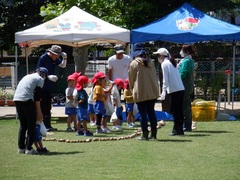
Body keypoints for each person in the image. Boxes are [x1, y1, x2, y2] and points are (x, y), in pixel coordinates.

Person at [13, 67, 48, 154]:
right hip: (27, 100)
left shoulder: (28, 76)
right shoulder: (40, 79)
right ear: (43, 74)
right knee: (31, 125)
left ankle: (21, 148)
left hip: (17, 99)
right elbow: (37, 97)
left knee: (23, 125)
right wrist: (39, 112)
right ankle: (29, 148)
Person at [128, 43, 159, 140]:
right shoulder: (150, 62)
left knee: (143, 114)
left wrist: (132, 90)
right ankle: (153, 135)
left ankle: (145, 134)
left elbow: (131, 80)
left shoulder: (134, 63)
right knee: (151, 112)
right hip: (152, 92)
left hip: (140, 92)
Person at [154, 48, 185, 136]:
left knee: (175, 111)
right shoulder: (171, 62)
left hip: (174, 90)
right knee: (179, 110)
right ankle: (180, 129)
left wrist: (163, 92)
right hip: (180, 89)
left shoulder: (164, 64)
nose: (158, 57)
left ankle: (177, 129)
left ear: (162, 55)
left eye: (158, 55)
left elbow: (165, 80)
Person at [37, 45, 67, 131]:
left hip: (49, 86)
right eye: (56, 55)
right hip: (42, 86)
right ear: (51, 53)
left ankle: (48, 126)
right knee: (43, 107)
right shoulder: (43, 58)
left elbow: (63, 65)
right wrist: (48, 76)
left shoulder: (54, 59)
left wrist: (65, 58)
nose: (57, 57)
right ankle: (43, 126)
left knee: (48, 107)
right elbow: (38, 71)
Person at [178, 44, 195, 132]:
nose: (181, 52)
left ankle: (187, 126)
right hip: (188, 86)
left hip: (184, 86)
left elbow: (182, 73)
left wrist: (176, 80)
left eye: (182, 50)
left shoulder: (186, 61)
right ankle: (187, 124)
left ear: (187, 52)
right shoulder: (190, 60)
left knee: (185, 107)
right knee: (187, 106)